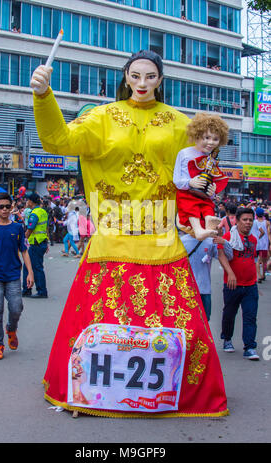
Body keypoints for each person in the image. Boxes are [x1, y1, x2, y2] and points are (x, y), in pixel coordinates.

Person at [31, 50, 228, 418]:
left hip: (161, 240)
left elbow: (201, 167)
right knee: (95, 327)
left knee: (182, 331)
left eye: (150, 77)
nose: (142, 84)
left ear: (160, 80)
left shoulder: (177, 123)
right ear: (125, 76)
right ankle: (87, 391)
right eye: (135, 76)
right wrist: (43, 97)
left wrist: (199, 214)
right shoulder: (101, 117)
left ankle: (173, 395)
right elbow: (57, 140)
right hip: (110, 238)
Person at [0, 193, 34, 360]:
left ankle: (11, 329)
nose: (4, 209)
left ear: (12, 208)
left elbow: (24, 250)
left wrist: (30, 272)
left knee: (17, 307)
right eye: (1, 207)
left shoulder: (17, 228)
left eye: (7, 206)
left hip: (13, 276)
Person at [173, 113, 229, 241]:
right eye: (207, 137)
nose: (211, 142)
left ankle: (209, 220)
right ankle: (198, 230)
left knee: (207, 206)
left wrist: (212, 192)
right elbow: (177, 179)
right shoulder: (184, 153)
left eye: (215, 139)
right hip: (186, 194)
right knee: (191, 206)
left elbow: (213, 179)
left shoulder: (212, 159)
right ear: (197, 135)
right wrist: (190, 182)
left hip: (203, 196)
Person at [218, 208, 259, 360]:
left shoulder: (253, 240)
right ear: (237, 220)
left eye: (250, 220)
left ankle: (249, 347)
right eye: (245, 219)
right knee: (229, 314)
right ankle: (227, 339)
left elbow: (251, 259)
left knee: (250, 316)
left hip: (250, 285)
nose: (248, 223)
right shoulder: (229, 237)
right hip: (232, 284)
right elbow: (221, 255)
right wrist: (230, 273)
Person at [181, 234, 233, 322]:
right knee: (187, 322)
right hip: (186, 291)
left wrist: (224, 243)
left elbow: (229, 257)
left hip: (204, 290)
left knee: (204, 322)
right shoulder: (182, 241)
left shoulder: (210, 241)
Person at [22, 193, 49, 299]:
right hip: (41, 242)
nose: (26, 202)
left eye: (27, 200)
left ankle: (36, 290)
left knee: (33, 267)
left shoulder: (34, 214)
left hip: (36, 244)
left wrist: (21, 241)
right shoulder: (43, 212)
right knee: (35, 267)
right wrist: (47, 242)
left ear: (31, 202)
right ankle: (30, 289)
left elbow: (30, 230)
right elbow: (46, 228)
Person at [253, 207, 270, 283]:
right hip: (264, 244)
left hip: (256, 244)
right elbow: (269, 234)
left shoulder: (254, 222)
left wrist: (257, 238)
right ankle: (263, 275)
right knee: (264, 261)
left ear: (256, 214)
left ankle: (258, 275)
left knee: (257, 260)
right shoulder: (267, 222)